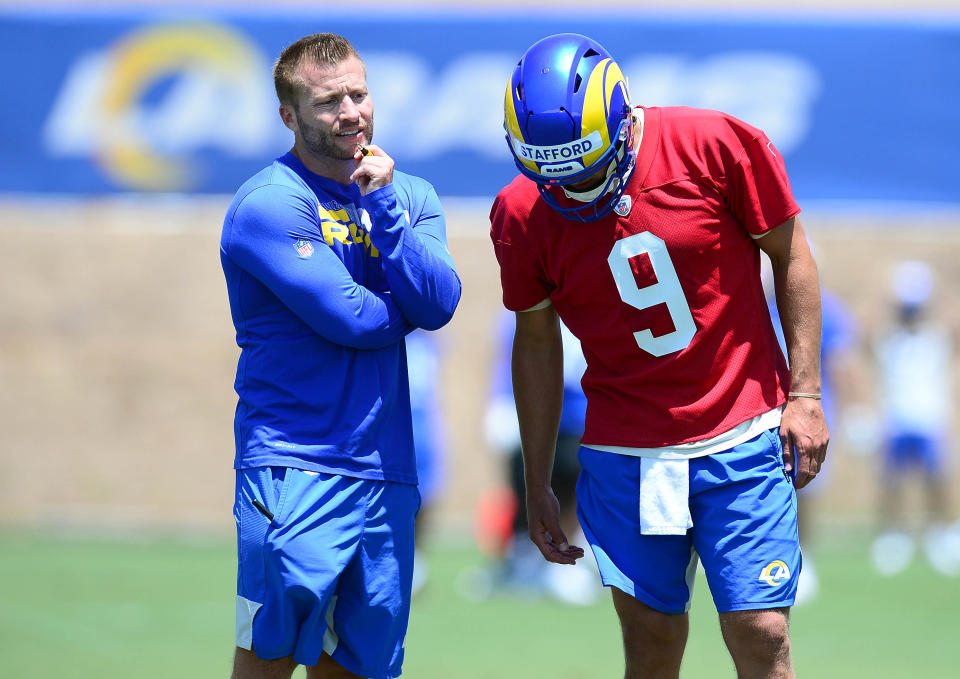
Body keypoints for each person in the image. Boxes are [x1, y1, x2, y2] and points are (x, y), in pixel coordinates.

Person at [490, 34, 828, 678]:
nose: (573, 185)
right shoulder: (520, 212)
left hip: (742, 430)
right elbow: (534, 340)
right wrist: (537, 480)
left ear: (621, 119)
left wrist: (805, 394)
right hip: (626, 451)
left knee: (761, 631)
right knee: (648, 641)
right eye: (554, 171)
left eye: (586, 166)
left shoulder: (715, 144)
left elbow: (792, 255)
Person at [219, 33, 461, 679]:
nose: (351, 111)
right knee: (266, 659)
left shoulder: (409, 194)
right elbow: (352, 316)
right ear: (289, 116)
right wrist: (404, 301)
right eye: (329, 101)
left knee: (363, 668)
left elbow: (440, 303)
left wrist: (382, 206)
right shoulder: (268, 203)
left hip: (386, 473)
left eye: (358, 93)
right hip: (295, 467)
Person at [480, 311, 600, 604]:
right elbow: (513, 358)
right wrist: (501, 400)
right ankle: (522, 554)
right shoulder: (523, 315)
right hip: (535, 416)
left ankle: (568, 554)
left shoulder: (590, 308)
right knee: (526, 481)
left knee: (574, 483)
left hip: (578, 415)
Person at [869, 260, 959, 576]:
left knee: (937, 480)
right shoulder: (887, 338)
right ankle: (894, 536)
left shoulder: (937, 336)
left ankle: (943, 533)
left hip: (929, 418)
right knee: (892, 481)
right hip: (896, 419)